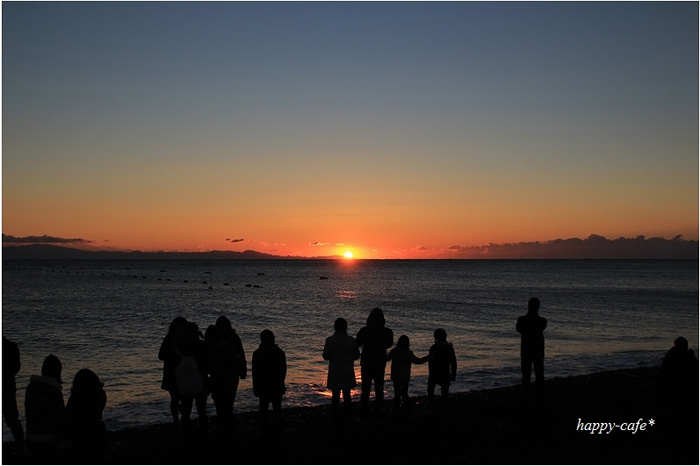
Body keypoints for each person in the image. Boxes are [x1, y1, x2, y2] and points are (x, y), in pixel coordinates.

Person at [205, 315, 247, 430]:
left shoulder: (216, 339)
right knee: (225, 400)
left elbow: (241, 354)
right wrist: (243, 370)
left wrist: (243, 370)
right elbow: (241, 355)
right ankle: (226, 422)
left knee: (224, 401)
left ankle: (224, 422)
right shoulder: (230, 338)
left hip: (222, 374)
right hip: (226, 374)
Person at [25, 354, 66, 458]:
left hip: (31, 436)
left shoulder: (31, 387)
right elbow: (59, 419)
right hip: (48, 439)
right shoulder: (54, 391)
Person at [355, 307, 393, 416]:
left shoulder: (364, 330)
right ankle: (378, 409)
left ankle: (364, 409)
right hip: (380, 361)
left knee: (365, 387)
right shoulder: (387, 331)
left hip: (367, 361)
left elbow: (358, 343)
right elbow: (389, 344)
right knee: (379, 387)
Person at [66, 369, 107, 460]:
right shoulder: (99, 394)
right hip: (95, 434)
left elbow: (68, 417)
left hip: (80, 438)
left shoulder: (76, 398)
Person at [323, 318, 360, 416]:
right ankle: (347, 415)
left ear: (335, 327)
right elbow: (356, 355)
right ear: (346, 328)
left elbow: (325, 356)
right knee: (347, 394)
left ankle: (335, 415)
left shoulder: (329, 340)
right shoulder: (351, 340)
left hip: (335, 371)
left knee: (335, 395)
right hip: (347, 371)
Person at [176, 321, 210, 431]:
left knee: (186, 409)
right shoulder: (201, 344)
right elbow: (208, 353)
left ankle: (186, 430)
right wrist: (203, 337)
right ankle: (203, 431)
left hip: (186, 381)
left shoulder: (181, 345)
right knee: (201, 409)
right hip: (200, 378)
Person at [252, 329, 287, 423]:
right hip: (276, 385)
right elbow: (283, 370)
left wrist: (255, 387)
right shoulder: (280, 352)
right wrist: (281, 383)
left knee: (263, 409)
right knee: (277, 410)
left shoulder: (257, 353)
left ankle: (264, 431)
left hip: (263, 385)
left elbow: (255, 373)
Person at [158, 317, 188, 426]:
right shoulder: (170, 338)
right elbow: (161, 355)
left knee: (183, 397)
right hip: (172, 372)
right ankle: (176, 419)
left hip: (183, 372)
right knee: (175, 397)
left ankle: (183, 418)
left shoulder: (186, 338)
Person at [516, 297, 547, 401]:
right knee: (538, 373)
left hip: (527, 350)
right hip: (536, 350)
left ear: (528, 306)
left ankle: (527, 395)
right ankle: (539, 395)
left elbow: (519, 329)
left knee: (527, 373)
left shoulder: (522, 320)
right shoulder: (542, 321)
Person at [386, 335, 428, 412]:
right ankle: (405, 407)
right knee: (404, 392)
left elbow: (385, 359)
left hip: (396, 375)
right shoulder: (408, 353)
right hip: (405, 376)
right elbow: (418, 361)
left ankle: (397, 408)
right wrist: (427, 358)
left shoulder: (394, 352)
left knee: (397, 392)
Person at [2, 336, 25, 448]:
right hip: (8, 387)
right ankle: (20, 443)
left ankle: (20, 442)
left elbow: (16, 367)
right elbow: (16, 367)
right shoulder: (12, 346)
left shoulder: (11, 346)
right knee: (12, 419)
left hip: (7, 388)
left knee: (12, 419)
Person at [427, 328, 457, 407]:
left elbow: (430, 362)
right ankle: (444, 407)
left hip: (435, 372)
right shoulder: (449, 348)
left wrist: (431, 373)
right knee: (444, 392)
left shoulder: (433, 347)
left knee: (431, 390)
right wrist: (453, 373)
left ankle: (432, 404)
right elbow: (453, 362)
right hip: (444, 372)